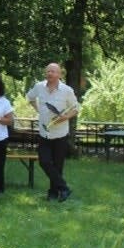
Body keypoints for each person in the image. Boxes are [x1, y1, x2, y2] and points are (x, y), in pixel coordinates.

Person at [26, 63, 80, 202]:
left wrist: (65, 117)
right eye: (48, 71)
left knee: (57, 165)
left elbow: (75, 108)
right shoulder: (39, 87)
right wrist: (38, 110)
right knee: (44, 161)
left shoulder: (67, 90)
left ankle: (53, 193)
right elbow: (30, 97)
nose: (50, 73)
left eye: (53, 71)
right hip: (44, 132)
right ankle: (64, 188)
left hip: (60, 133)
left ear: (59, 74)